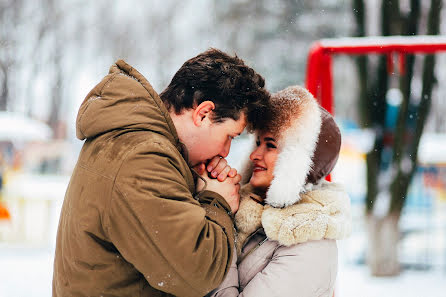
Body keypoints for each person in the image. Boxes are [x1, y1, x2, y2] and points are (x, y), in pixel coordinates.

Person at [52, 49, 270, 297]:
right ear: (204, 113)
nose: (226, 151)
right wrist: (217, 202)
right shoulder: (142, 159)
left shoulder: (131, 139)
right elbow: (198, 273)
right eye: (230, 136)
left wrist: (196, 185)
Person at [208, 85, 352, 297]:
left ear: (297, 162)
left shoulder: (310, 246)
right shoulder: (250, 215)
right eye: (257, 143)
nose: (254, 155)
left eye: (271, 145)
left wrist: (218, 218)